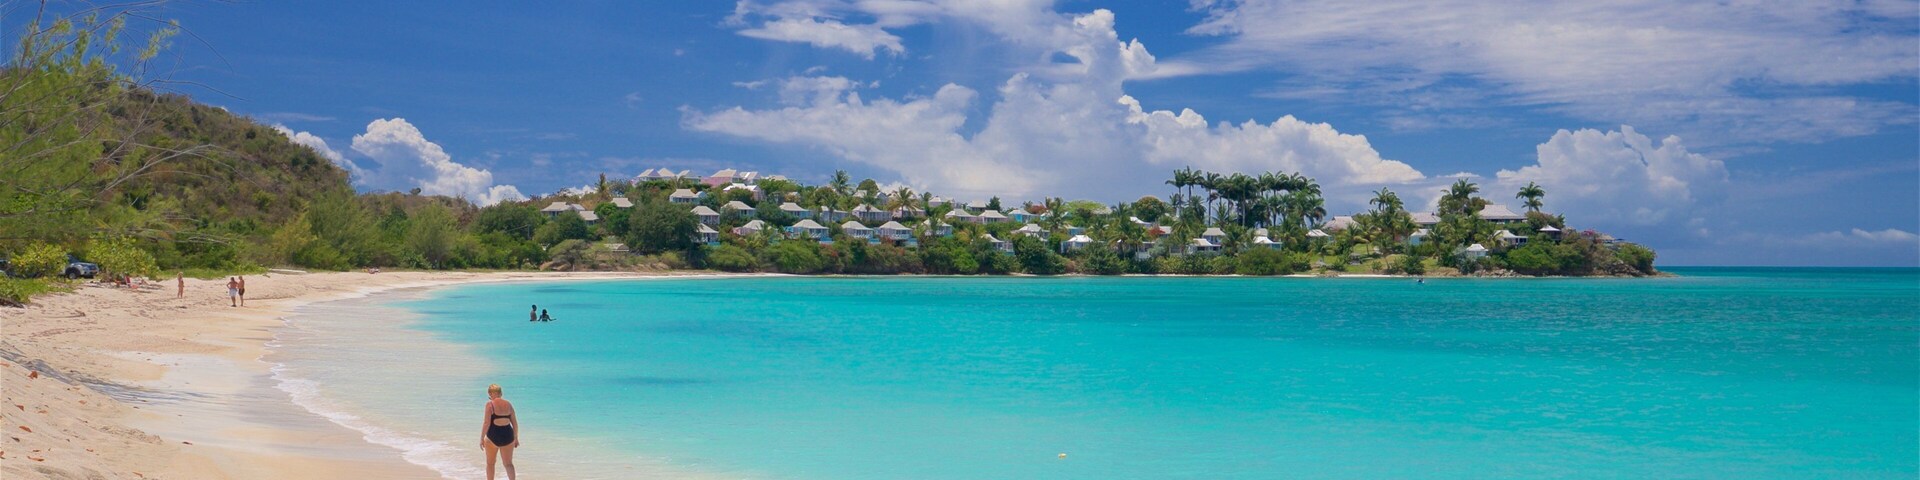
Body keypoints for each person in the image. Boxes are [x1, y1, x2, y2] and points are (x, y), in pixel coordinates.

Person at [479, 384, 519, 480]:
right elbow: (515, 424)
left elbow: (486, 423)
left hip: (493, 436)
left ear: (490, 393)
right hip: (508, 436)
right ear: (500, 393)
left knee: (490, 463)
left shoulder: (490, 405)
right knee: (508, 464)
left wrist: (481, 438)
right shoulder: (509, 404)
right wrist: (516, 438)